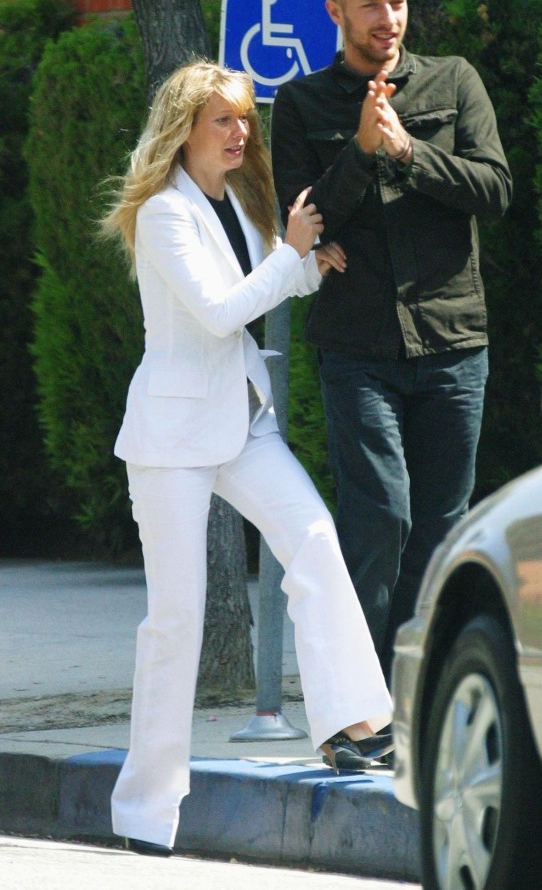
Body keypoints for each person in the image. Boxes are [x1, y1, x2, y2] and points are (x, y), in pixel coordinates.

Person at [100, 60, 392, 858]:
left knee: (314, 539)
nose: (239, 133)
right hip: (172, 435)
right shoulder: (163, 212)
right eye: (222, 120)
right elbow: (221, 309)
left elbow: (271, 282)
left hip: (240, 417)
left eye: (244, 120)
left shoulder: (233, 200)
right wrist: (289, 254)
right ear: (185, 128)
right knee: (176, 620)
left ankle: (352, 723)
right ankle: (145, 812)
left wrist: (308, 264)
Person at [271, 0, 512, 683]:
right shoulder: (301, 103)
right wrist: (360, 152)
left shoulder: (454, 80)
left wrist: (407, 152)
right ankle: (359, 694)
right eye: (371, 4)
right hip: (358, 349)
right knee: (379, 516)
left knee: (441, 528)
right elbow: (301, 220)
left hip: (452, 342)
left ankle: (416, 685)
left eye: (397, 2)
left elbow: (494, 190)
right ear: (335, 11)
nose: (389, 18)